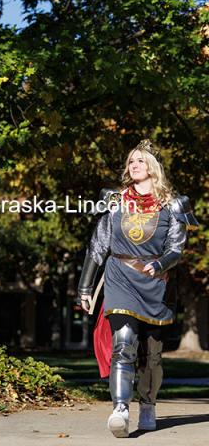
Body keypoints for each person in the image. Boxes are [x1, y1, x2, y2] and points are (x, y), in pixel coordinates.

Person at [77, 139, 199, 438]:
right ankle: (120, 408)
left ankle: (148, 404)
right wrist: (85, 287)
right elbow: (98, 246)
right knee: (124, 341)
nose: (134, 165)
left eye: (141, 161)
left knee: (152, 355)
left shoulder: (174, 204)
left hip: (156, 284)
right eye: (131, 161)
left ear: (153, 168)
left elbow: (177, 247)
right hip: (119, 275)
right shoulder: (114, 200)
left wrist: (160, 265)